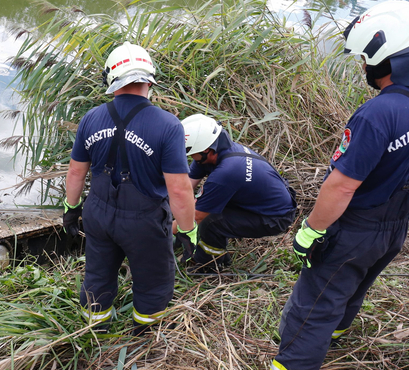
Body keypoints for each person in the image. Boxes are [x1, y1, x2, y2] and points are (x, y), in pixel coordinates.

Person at [273, 2, 409, 369]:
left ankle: (295, 360)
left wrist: (311, 230)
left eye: (365, 58)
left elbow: (341, 186)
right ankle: (337, 333)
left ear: (385, 57)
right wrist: (394, 218)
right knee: (356, 285)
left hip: (354, 230)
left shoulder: (377, 113)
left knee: (314, 303)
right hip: (395, 229)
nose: (363, 66)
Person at [62, 41, 197, 336]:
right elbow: (179, 190)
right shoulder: (168, 125)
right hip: (144, 222)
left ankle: (95, 334)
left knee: (97, 275)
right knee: (154, 280)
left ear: (110, 80)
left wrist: (71, 209)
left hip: (97, 213)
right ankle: (144, 338)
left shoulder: (91, 118)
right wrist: (188, 230)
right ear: (149, 80)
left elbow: (75, 171)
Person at [173, 114, 296, 272]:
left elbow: (195, 216)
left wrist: (159, 233)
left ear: (205, 150)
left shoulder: (227, 172)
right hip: (259, 201)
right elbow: (185, 188)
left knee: (211, 222)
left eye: (190, 152)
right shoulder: (213, 153)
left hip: (275, 216)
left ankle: (208, 264)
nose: (189, 156)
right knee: (205, 209)